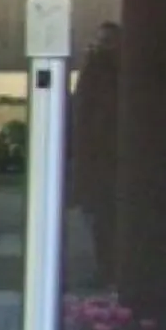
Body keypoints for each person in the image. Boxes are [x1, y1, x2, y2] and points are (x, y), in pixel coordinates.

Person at [69, 21, 121, 285]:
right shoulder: (98, 70)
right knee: (102, 217)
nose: (103, 47)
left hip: (107, 157)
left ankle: (108, 269)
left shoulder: (103, 70)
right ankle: (107, 269)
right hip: (100, 157)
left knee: (104, 217)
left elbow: (84, 112)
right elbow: (82, 113)